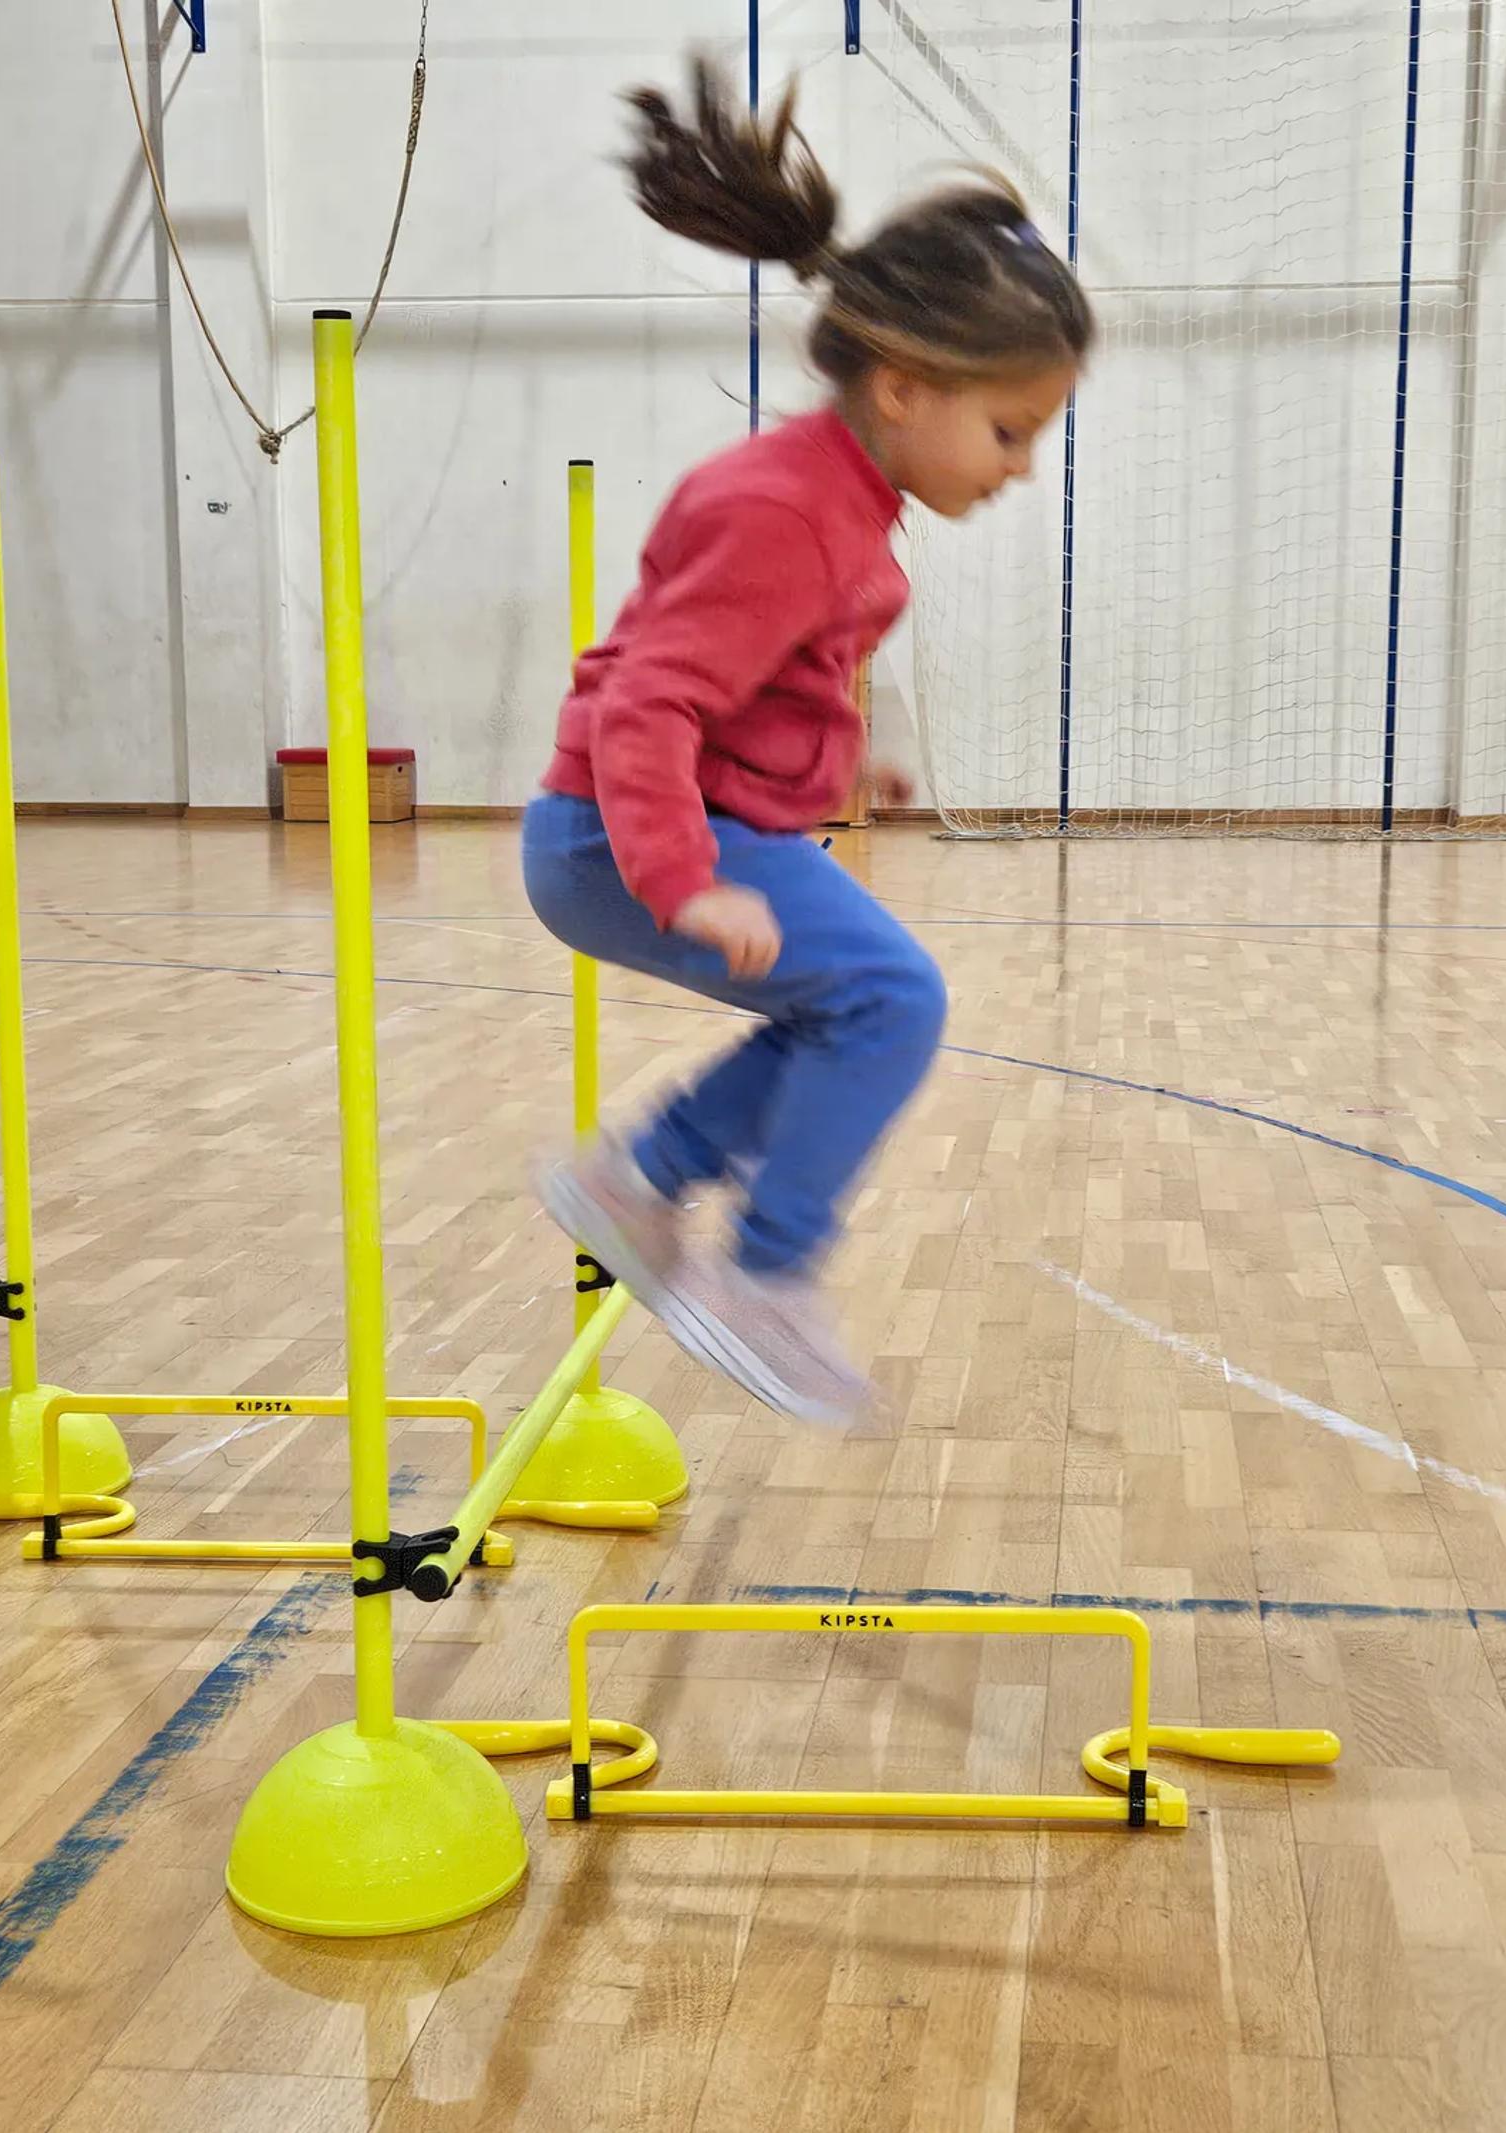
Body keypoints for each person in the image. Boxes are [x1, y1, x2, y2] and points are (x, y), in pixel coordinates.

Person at [524, 56, 1093, 1421]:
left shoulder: (835, 495)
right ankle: (764, 1275)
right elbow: (651, 702)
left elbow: (760, 679)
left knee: (847, 1006)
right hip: (617, 836)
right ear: (902, 387)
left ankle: (639, 1178)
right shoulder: (787, 507)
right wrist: (684, 879)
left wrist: (831, 765)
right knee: (892, 999)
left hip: (656, 823)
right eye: (1010, 430)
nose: (1021, 466)